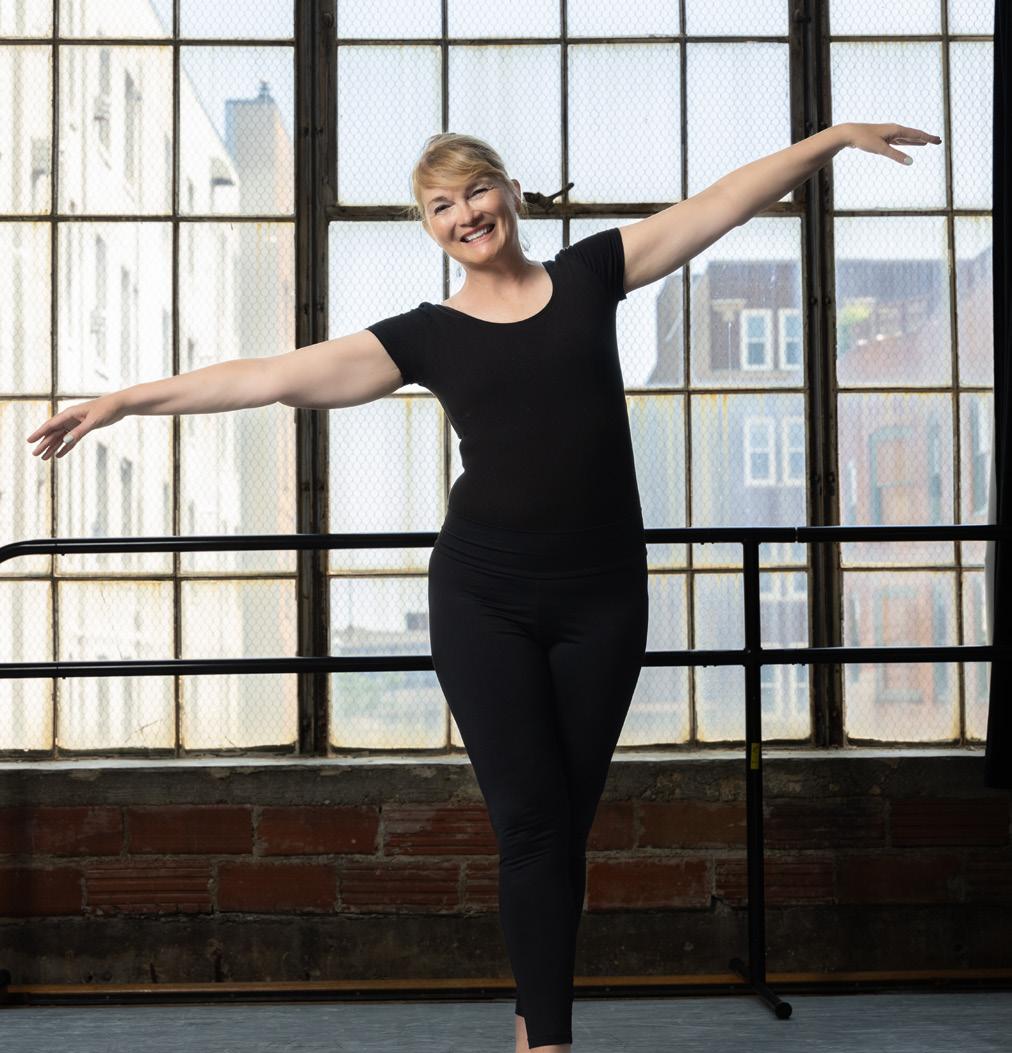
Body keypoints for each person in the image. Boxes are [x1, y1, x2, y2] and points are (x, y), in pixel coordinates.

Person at [25, 124, 941, 1052]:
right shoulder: (428, 336)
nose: (464, 214)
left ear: (511, 191)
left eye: (475, 191)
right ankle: (550, 1043)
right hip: (483, 601)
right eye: (441, 206)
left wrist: (832, 139)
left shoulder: (591, 275)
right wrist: (123, 401)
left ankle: (531, 1021)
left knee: (564, 828)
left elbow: (719, 204)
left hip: (604, 603)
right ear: (428, 227)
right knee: (534, 826)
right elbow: (270, 377)